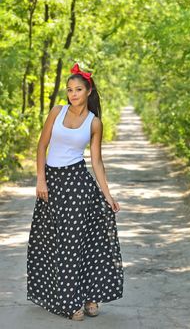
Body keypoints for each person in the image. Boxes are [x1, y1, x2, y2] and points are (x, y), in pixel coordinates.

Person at [26, 62, 124, 321]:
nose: (73, 94)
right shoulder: (56, 112)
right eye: (69, 90)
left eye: (78, 89)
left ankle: (83, 300)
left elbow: (97, 162)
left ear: (88, 91)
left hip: (78, 186)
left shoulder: (94, 123)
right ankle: (71, 297)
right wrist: (40, 179)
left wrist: (108, 194)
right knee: (53, 242)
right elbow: (41, 146)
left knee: (83, 242)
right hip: (52, 184)